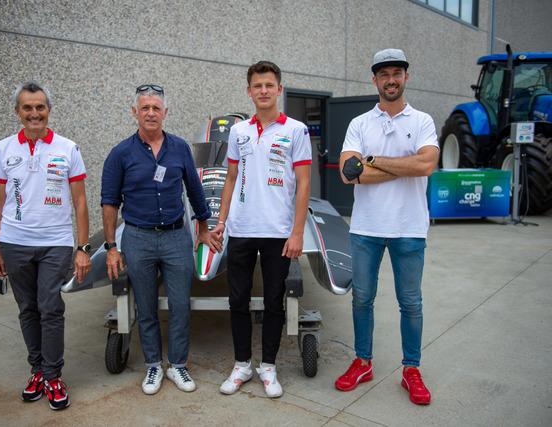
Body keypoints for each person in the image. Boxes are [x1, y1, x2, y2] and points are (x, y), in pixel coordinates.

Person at [335, 49, 439, 405]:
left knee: (410, 303)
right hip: (366, 228)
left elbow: (426, 165)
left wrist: (373, 161)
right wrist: (404, 165)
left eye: (397, 73)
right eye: (384, 74)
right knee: (362, 299)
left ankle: (411, 369)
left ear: (406, 76)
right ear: (375, 80)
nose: (390, 80)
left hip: (409, 228)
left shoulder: (422, 121)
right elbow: (348, 172)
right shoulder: (360, 123)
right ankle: (363, 362)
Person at [101, 84, 220, 395]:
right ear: (135, 112)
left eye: (156, 108)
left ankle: (177, 365)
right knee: (146, 306)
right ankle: (153, 365)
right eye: (145, 108)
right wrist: (111, 247)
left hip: (176, 239)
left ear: (165, 112)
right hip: (137, 239)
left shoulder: (179, 148)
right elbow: (109, 202)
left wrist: (203, 228)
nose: (151, 113)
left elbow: (195, 190)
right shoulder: (120, 153)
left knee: (180, 305)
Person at [212, 61, 312, 398]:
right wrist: (222, 221)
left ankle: (268, 366)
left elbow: (304, 183)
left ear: (279, 89)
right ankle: (242, 364)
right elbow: (230, 178)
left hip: (278, 231)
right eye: (258, 86)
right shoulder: (238, 132)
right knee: (237, 300)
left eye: (269, 85)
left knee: (273, 302)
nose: (264, 91)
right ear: (249, 91)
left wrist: (297, 232)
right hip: (241, 229)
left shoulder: (296, 130)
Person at [0, 81, 91, 410]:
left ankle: (53, 375)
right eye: (28, 107)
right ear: (17, 112)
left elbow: (80, 202)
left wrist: (82, 248)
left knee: (51, 307)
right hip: (14, 241)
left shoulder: (68, 148)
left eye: (40, 107)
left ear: (49, 110)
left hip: (55, 243)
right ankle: (37, 371)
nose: (34, 113)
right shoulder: (3, 149)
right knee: (28, 309)